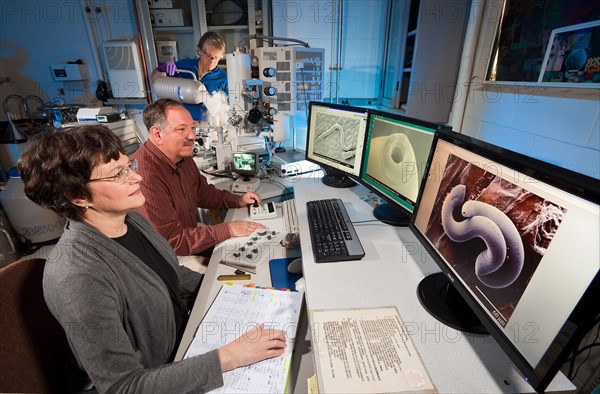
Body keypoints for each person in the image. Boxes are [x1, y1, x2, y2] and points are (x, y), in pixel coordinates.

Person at [17, 125, 286, 393]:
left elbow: (172, 276)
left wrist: (230, 294)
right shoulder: (77, 276)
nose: (137, 178)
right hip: (156, 374)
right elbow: (123, 386)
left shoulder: (129, 219)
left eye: (129, 166)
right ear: (76, 196)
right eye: (118, 175)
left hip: (181, 342)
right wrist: (229, 357)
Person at [132, 99, 265, 256]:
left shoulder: (181, 154)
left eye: (193, 127)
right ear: (157, 133)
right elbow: (173, 242)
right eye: (181, 129)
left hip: (186, 237)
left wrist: (237, 200)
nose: (192, 136)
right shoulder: (145, 177)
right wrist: (228, 228)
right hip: (168, 257)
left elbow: (202, 193)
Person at [152, 31, 228, 121]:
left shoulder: (222, 78)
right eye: (208, 55)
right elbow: (155, 80)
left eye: (216, 57)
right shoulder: (184, 66)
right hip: (178, 122)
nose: (211, 61)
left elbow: (227, 108)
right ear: (199, 51)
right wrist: (161, 69)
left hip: (205, 126)